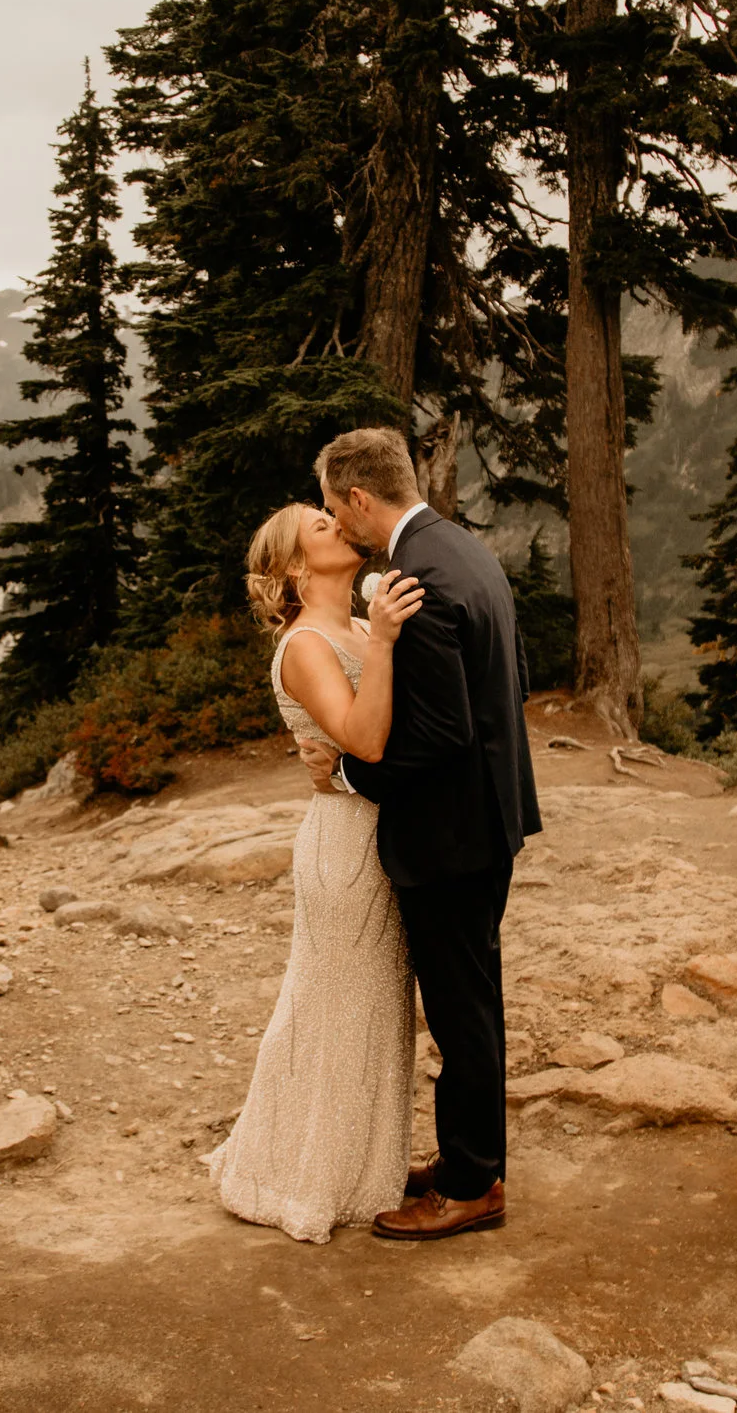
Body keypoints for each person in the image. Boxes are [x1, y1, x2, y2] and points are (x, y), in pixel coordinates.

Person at [297, 427, 542, 1241]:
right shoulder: (462, 549)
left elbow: (436, 732)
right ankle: (478, 1156)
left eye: (337, 507)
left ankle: (471, 1185)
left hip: (449, 834)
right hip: (490, 815)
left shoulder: (419, 577)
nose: (339, 522)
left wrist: (348, 772)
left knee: (460, 1010)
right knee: (473, 999)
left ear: (361, 498)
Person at [206, 503, 428, 1242]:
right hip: (344, 848)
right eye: (320, 526)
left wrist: (382, 635)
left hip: (385, 833)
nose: (337, 523)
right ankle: (300, 1172)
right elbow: (363, 737)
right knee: (331, 1007)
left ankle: (368, 1170)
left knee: (375, 1008)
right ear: (297, 568)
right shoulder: (304, 644)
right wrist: (389, 641)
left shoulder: (360, 628)